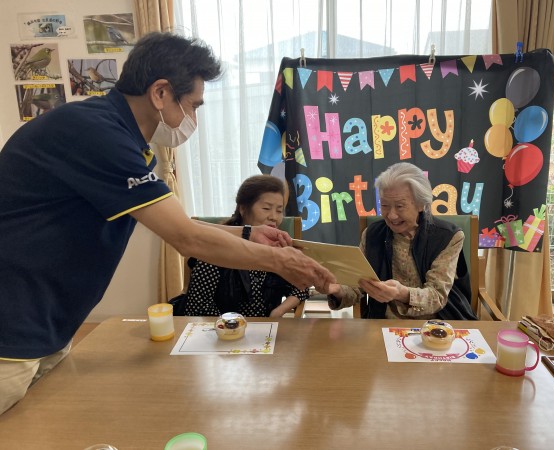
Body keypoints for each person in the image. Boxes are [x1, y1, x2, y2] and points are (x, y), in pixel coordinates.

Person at [0, 32, 335, 415]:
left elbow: (176, 223)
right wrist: (282, 261)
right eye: (193, 105)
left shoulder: (121, 139)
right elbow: (187, 238)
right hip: (14, 322)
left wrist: (249, 232)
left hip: (49, 320)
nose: (193, 119)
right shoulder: (98, 134)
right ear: (160, 93)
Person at [324, 162, 477, 320]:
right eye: (384, 205)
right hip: (382, 324)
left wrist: (401, 293)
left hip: (436, 324)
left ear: (421, 204)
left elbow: (436, 296)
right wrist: (336, 289)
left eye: (400, 206)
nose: (391, 215)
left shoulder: (447, 237)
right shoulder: (372, 234)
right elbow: (357, 286)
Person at [178, 175, 309, 318]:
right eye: (266, 208)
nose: (274, 217)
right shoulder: (216, 246)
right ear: (243, 209)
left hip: (266, 328)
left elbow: (301, 286)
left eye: (279, 210)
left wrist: (278, 311)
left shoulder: (278, 246)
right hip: (219, 328)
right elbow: (197, 307)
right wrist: (234, 326)